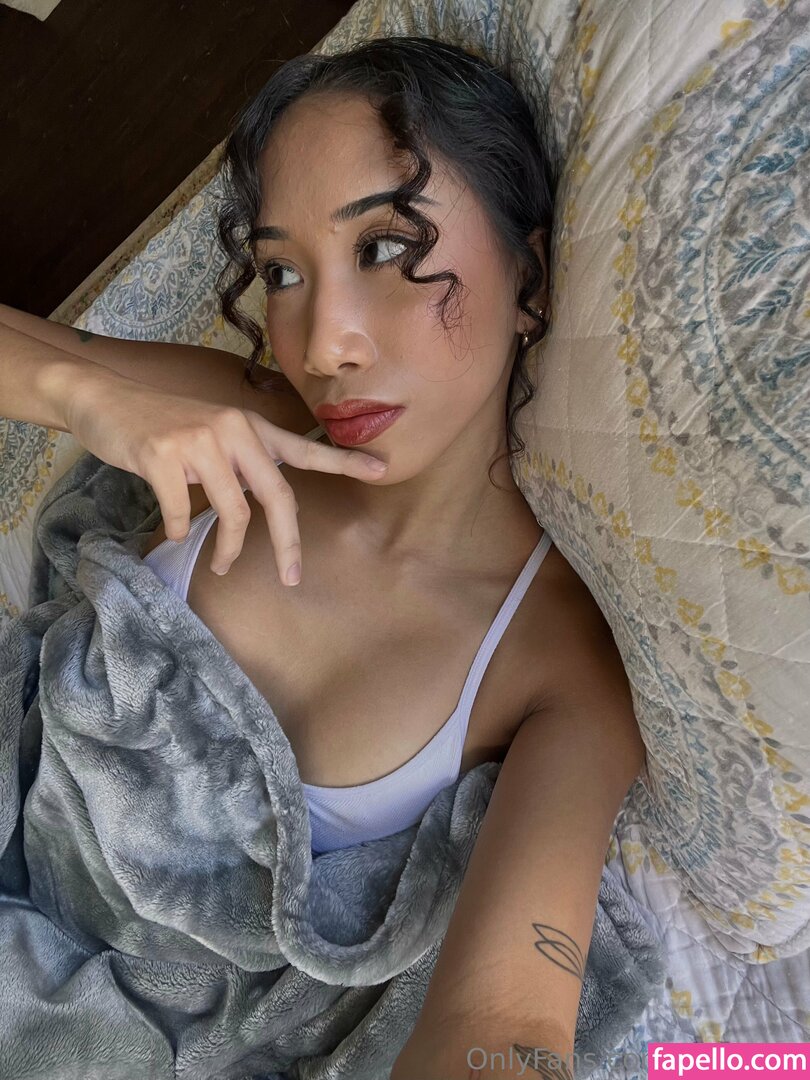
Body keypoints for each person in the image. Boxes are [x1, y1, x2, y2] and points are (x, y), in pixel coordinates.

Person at [0, 36, 646, 1078]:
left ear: (529, 280)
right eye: (282, 272)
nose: (321, 344)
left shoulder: (561, 667)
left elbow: (506, 1020)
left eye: (386, 247)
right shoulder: (251, 418)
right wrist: (90, 398)